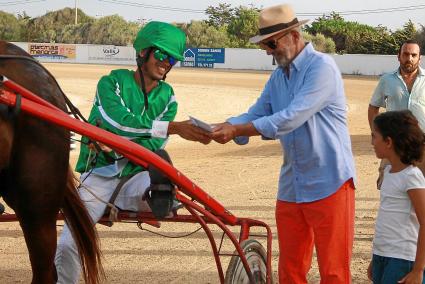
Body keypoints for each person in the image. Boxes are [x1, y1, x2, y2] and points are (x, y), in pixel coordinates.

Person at [55, 21, 211, 283]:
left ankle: (157, 196)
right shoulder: (111, 83)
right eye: (161, 54)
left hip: (139, 177)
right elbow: (117, 121)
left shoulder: (168, 97)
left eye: (172, 59)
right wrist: (170, 128)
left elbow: (153, 146)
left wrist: (114, 141)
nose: (166, 63)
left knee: (158, 172)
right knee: (67, 246)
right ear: (143, 53)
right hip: (100, 176)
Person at [210, 4, 356, 284]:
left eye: (271, 43)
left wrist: (237, 129)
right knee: (290, 271)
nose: (267, 51)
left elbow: (290, 118)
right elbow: (256, 113)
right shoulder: (278, 76)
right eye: (264, 45)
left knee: (335, 273)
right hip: (293, 185)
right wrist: (221, 126)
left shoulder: (322, 67)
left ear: (294, 35)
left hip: (331, 182)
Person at [367, 110, 425, 284]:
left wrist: (418, 269)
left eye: (374, 136)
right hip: (384, 256)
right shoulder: (388, 172)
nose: (372, 142)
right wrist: (376, 257)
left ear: (389, 141)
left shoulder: (411, 176)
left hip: (402, 260)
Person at [368, 40, 425, 189]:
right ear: (398, 56)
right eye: (405, 54)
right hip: (392, 145)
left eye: (414, 55)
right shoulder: (386, 80)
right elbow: (373, 108)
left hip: (422, 146)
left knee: (421, 190)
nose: (409, 58)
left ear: (420, 58)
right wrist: (376, 134)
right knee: (389, 188)